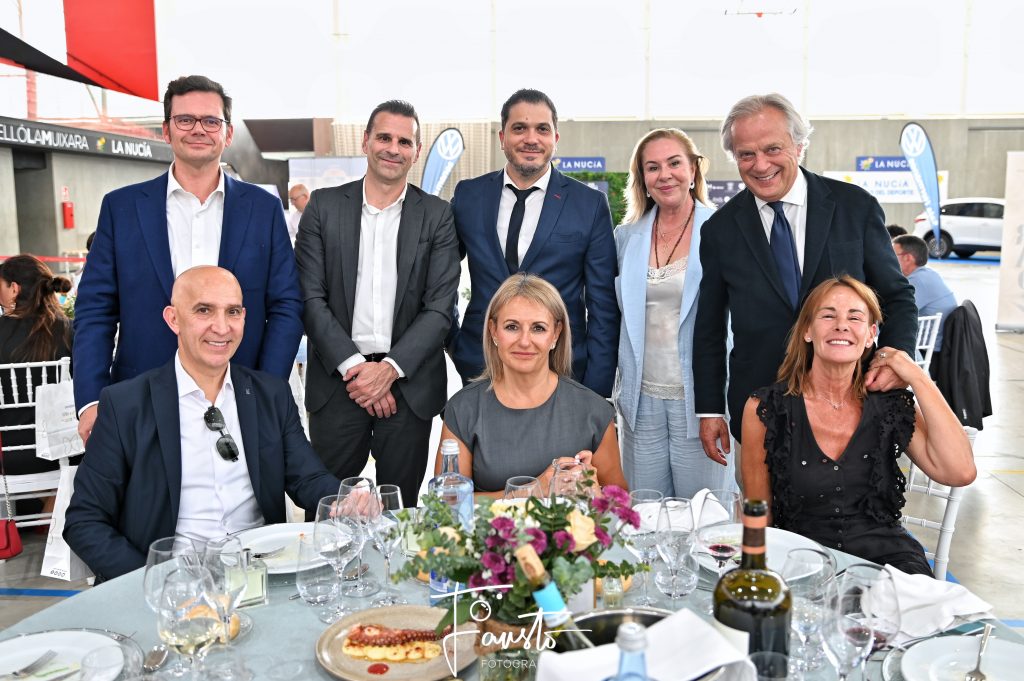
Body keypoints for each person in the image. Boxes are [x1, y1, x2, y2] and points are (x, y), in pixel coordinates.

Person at [693, 93, 917, 486]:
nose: (760, 165)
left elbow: (896, 297)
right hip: (760, 410)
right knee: (761, 519)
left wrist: (893, 362)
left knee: (848, 515)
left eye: (772, 149)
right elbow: (708, 328)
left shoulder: (855, 207)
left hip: (851, 405)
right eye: (746, 154)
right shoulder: (719, 230)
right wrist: (709, 409)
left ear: (799, 145)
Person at [64, 267, 339, 582]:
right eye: (204, 310)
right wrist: (153, 581)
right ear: (173, 319)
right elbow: (84, 520)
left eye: (232, 312)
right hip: (173, 584)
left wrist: (344, 500)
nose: (221, 327)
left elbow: (308, 478)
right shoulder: (125, 405)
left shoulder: (271, 394)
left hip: (263, 576)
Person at [73, 75, 303, 445]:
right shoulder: (121, 208)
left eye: (211, 121)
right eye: (185, 120)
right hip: (140, 400)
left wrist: (267, 387)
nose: (198, 129)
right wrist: (90, 400)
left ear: (228, 134)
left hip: (241, 397)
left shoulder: (264, 209)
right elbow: (95, 310)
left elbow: (286, 305)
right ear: (166, 130)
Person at [741, 276, 976, 575]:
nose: (842, 325)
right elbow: (758, 514)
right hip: (802, 564)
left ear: (870, 335)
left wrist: (916, 376)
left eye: (855, 317)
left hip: (889, 562)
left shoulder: (891, 404)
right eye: (828, 316)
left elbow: (960, 471)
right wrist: (757, 575)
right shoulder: (765, 410)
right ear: (807, 330)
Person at [295, 100, 459, 507]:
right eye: (384, 137)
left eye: (405, 141)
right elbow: (310, 298)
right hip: (338, 385)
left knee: (400, 513)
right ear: (365, 141)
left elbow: (440, 307)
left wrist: (388, 371)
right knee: (330, 510)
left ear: (416, 152)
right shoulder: (323, 207)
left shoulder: (438, 216)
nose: (393, 148)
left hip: (408, 387)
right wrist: (358, 370)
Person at [449, 88, 619, 397]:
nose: (531, 138)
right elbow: (440, 279)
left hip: (561, 369)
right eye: (519, 128)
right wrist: (456, 342)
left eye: (542, 129)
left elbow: (603, 306)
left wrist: (597, 390)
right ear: (502, 137)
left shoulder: (589, 205)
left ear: (555, 138)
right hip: (480, 365)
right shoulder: (468, 196)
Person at [614, 129, 733, 497]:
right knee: (643, 513)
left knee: (705, 514)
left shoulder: (725, 230)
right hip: (639, 404)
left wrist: (716, 407)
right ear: (643, 179)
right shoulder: (624, 238)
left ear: (693, 170)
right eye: (653, 167)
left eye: (674, 163)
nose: (664, 175)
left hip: (701, 402)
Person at [438, 273, 627, 497]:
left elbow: (620, 502)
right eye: (512, 327)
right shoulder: (463, 409)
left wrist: (596, 492)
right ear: (493, 331)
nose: (525, 341)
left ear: (556, 334)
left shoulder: (594, 410)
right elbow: (446, 504)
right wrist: (533, 490)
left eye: (538, 328)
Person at [0, 256, 75, 480]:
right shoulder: (70, 330)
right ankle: (53, 500)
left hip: (9, 456)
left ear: (14, 289)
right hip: (65, 452)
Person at [892, 234, 957, 364]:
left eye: (892, 254)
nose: (888, 258)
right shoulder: (929, 274)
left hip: (923, 353)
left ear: (908, 258)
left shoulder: (918, 281)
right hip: (931, 349)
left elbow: (894, 313)